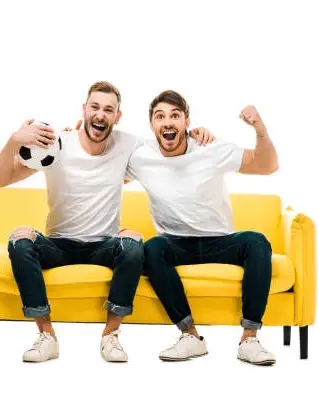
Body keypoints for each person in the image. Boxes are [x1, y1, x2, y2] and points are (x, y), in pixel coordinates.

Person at [0, 82, 213, 363]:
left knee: (133, 241)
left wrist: (195, 134)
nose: (101, 114)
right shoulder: (56, 145)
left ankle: (111, 337)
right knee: (19, 238)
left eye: (109, 110)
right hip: (58, 244)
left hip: (103, 246)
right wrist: (13, 140)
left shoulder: (127, 144)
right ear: (84, 110)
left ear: (117, 117)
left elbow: (168, 144)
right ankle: (46, 336)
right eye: (95, 107)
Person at [125, 90, 279, 365]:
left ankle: (250, 339)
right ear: (152, 126)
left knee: (257, 242)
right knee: (150, 248)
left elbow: (266, 166)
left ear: (187, 121)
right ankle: (190, 337)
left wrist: (260, 129)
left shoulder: (209, 147)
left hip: (220, 241)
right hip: (174, 244)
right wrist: (74, 140)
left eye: (175, 115)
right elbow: (103, 171)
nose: (168, 122)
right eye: (160, 116)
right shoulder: (141, 157)